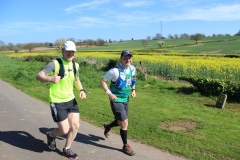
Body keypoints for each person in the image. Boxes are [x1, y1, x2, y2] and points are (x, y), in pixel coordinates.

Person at [36, 41, 86, 160]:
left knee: (75, 126)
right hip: (57, 101)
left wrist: (82, 90)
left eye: (72, 51)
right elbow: (39, 76)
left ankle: (66, 149)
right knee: (64, 129)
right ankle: (51, 135)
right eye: (68, 51)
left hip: (71, 100)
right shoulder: (55, 64)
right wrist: (50, 78)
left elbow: (76, 80)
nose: (70, 53)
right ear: (63, 50)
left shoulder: (75, 65)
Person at [100, 50, 137, 156]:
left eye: (129, 58)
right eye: (125, 58)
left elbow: (133, 80)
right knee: (125, 123)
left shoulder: (132, 69)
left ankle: (108, 126)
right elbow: (102, 81)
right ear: (121, 59)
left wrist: (133, 90)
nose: (127, 60)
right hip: (116, 99)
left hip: (126, 99)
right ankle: (125, 146)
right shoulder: (115, 71)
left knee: (121, 122)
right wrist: (109, 93)